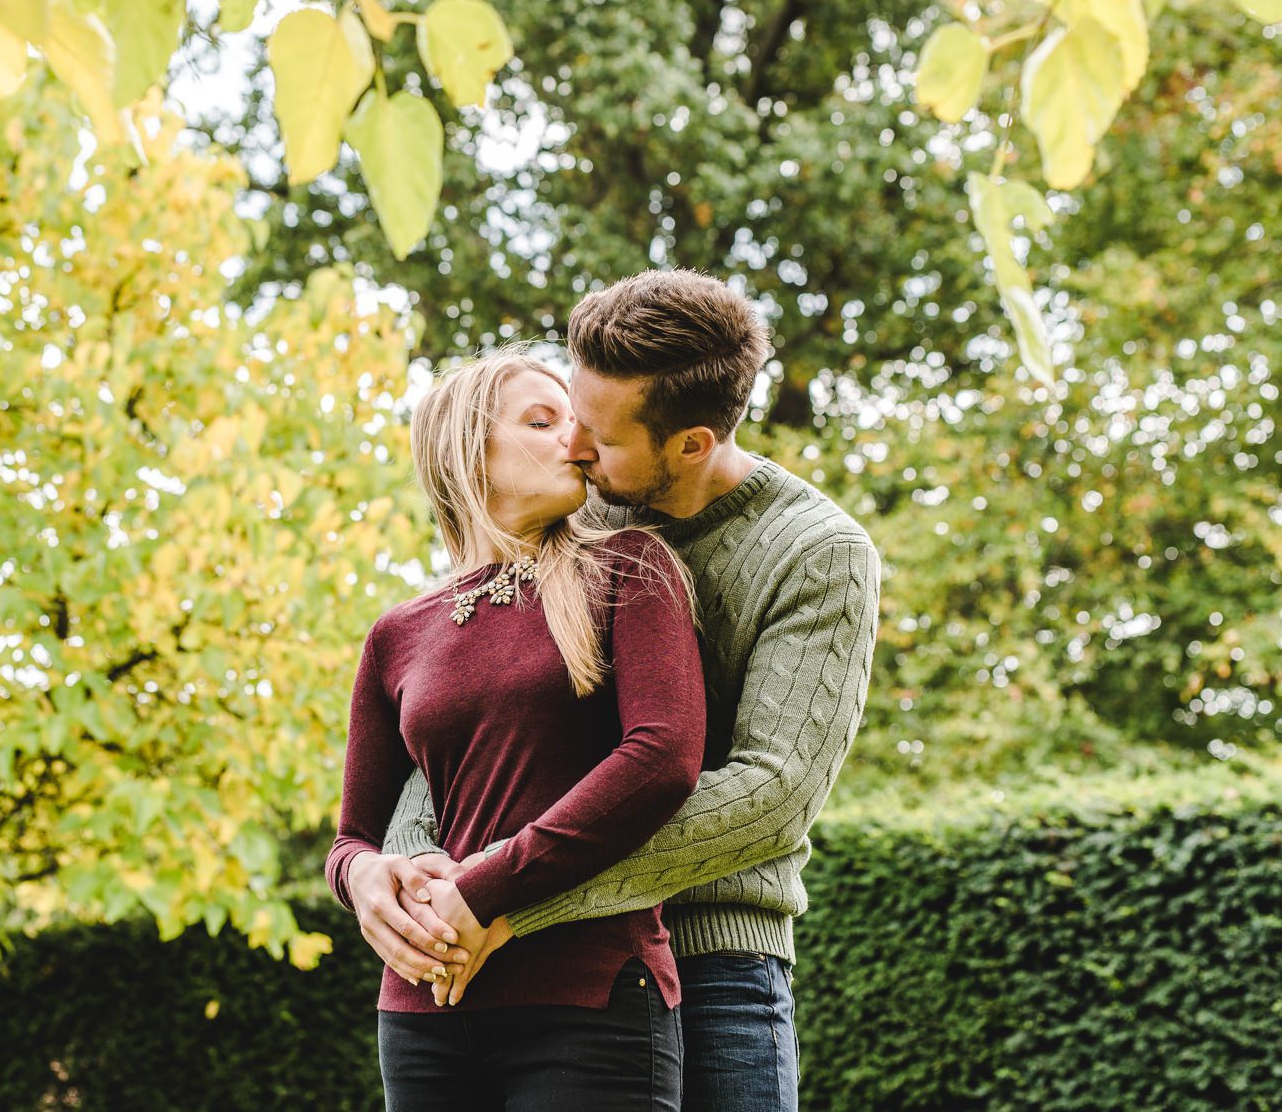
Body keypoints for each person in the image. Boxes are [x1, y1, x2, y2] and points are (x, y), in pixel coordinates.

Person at [347, 270, 882, 1112]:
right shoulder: (577, 514)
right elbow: (452, 724)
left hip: (715, 959)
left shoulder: (817, 553)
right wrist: (412, 867)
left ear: (691, 443)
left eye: (597, 432)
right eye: (562, 414)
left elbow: (771, 793)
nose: (577, 448)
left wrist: (513, 893)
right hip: (523, 947)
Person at [325, 350, 707, 1111]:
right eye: (543, 419)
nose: (576, 439)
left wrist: (483, 889)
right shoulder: (397, 633)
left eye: (575, 419)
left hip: (588, 993)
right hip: (424, 1005)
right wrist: (365, 882)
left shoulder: (630, 568)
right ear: (469, 450)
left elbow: (663, 756)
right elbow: (350, 838)